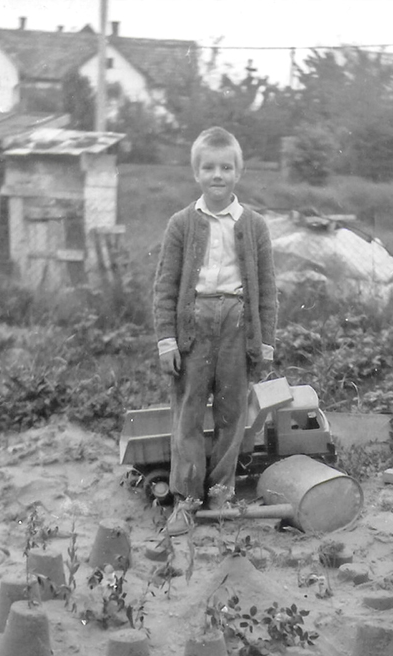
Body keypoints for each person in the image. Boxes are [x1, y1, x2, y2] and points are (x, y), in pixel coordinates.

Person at [153, 126, 278, 535]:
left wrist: (265, 342)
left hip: (238, 325)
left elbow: (267, 291)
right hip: (195, 324)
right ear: (196, 173)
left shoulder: (254, 226)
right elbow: (166, 286)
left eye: (226, 167)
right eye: (209, 167)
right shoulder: (181, 224)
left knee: (231, 412)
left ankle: (220, 492)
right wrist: (167, 340)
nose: (218, 175)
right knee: (187, 413)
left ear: (238, 173)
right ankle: (185, 500)